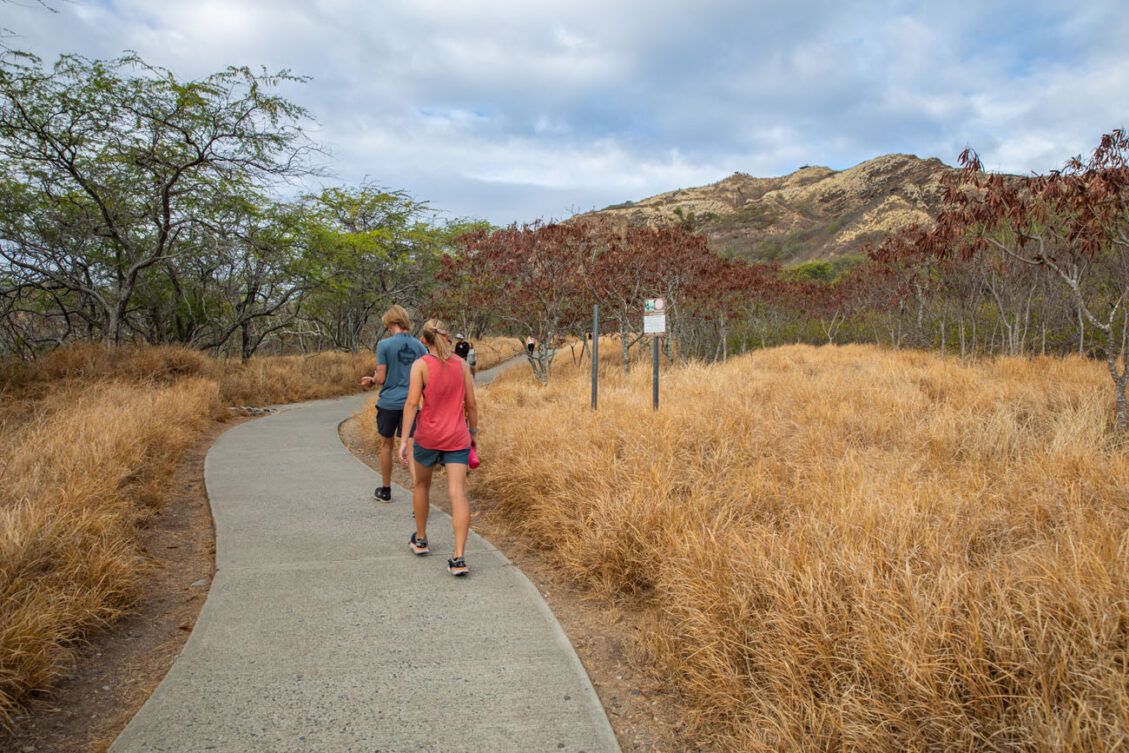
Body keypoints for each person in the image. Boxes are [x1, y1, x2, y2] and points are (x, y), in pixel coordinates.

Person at [398, 319, 478, 576]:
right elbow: (472, 404)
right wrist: (473, 434)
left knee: (421, 485)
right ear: (445, 337)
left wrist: (403, 442)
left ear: (423, 341)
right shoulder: (462, 365)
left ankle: (420, 539)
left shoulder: (420, 365)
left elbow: (411, 404)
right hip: (457, 437)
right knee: (457, 492)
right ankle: (459, 557)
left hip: (428, 437)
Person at [360, 305, 426, 501]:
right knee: (413, 450)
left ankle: (386, 489)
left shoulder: (384, 345)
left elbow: (381, 377)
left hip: (389, 403)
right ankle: (419, 497)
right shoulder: (419, 346)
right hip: (413, 404)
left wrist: (371, 379)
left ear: (391, 323)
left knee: (386, 445)